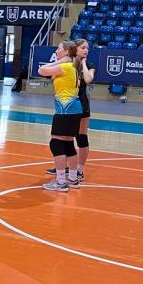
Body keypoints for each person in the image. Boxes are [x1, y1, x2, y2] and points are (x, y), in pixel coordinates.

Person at [37, 39, 83, 192]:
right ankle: (73, 178)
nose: (56, 51)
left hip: (65, 110)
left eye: (59, 49)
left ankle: (61, 181)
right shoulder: (73, 66)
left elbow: (41, 70)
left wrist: (61, 61)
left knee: (56, 143)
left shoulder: (65, 66)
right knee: (68, 144)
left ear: (66, 52)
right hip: (74, 110)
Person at [46, 39, 94, 180]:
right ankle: (66, 168)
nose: (86, 50)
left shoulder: (89, 65)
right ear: (74, 49)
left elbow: (88, 79)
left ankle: (79, 170)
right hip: (67, 105)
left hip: (82, 105)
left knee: (81, 137)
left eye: (87, 48)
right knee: (66, 139)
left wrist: (83, 63)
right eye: (83, 48)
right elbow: (51, 76)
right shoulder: (67, 64)